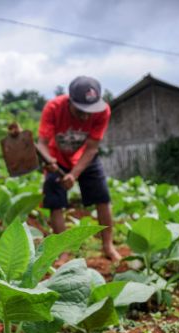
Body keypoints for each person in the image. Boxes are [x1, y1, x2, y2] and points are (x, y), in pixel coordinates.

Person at [36, 76, 121, 261]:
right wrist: (49, 161)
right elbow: (41, 143)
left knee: (103, 197)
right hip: (56, 159)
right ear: (70, 101)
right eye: (81, 110)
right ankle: (63, 251)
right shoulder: (53, 108)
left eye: (90, 110)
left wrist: (74, 175)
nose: (86, 115)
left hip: (85, 158)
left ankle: (108, 246)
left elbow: (91, 148)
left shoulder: (103, 111)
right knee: (54, 201)